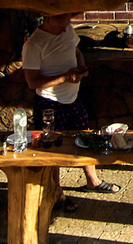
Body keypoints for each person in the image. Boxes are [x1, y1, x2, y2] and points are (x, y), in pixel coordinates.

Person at [15, 13, 116, 193]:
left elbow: (77, 51)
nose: (65, 29)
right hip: (49, 102)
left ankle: (93, 180)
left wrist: (81, 67)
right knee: (54, 147)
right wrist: (64, 77)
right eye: (61, 25)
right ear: (47, 19)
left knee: (85, 137)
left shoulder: (66, 29)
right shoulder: (33, 45)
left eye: (67, 24)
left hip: (73, 98)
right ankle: (56, 192)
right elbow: (32, 82)